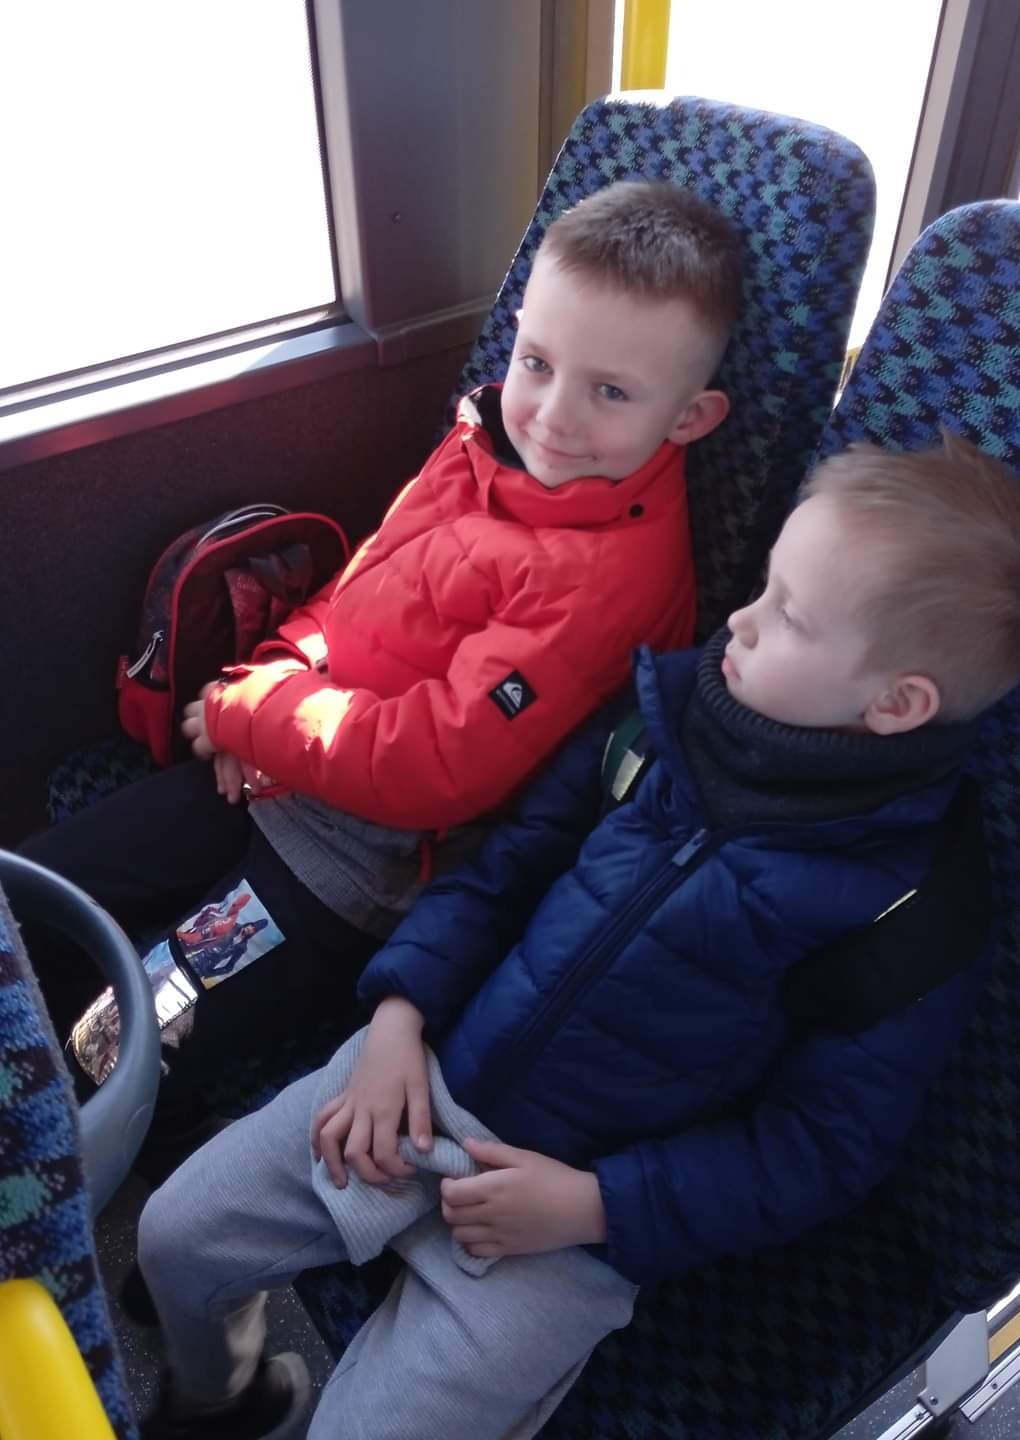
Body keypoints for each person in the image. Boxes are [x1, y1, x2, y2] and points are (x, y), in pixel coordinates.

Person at [137, 431, 1020, 1440]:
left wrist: (598, 1206)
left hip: (574, 1222)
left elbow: (822, 1149)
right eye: (764, 584)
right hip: (427, 1077)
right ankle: (229, 1397)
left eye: (786, 614)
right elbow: (503, 868)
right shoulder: (662, 715)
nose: (741, 620)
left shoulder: (911, 910)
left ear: (897, 703)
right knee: (176, 1237)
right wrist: (399, 1018)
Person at [18, 180, 739, 1170]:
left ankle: (126, 1143)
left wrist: (252, 714)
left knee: (112, 1042)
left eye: (610, 392)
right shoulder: (484, 445)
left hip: (352, 866)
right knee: (33, 894)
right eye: (536, 362)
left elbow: (435, 765)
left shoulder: (603, 581)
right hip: (273, 765)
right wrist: (275, 670)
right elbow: (361, 592)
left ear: (691, 417)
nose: (553, 415)